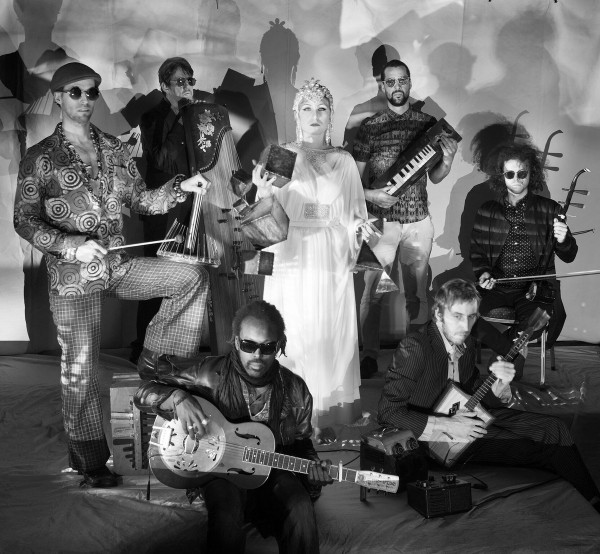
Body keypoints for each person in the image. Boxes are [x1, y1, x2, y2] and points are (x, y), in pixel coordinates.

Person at [13, 62, 211, 488]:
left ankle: (156, 367)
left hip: (118, 266)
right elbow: (24, 221)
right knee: (81, 369)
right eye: (76, 92)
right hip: (73, 276)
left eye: (92, 92)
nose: (86, 100)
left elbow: (142, 200)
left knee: (190, 278)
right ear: (59, 97)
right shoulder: (40, 157)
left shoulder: (114, 149)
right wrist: (72, 245)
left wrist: (180, 188)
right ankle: (89, 462)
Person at [378, 278, 600, 512]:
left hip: (468, 416)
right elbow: (388, 412)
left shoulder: (465, 341)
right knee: (536, 447)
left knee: (555, 428)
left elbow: (473, 390)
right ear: (438, 314)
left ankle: (593, 498)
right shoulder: (415, 347)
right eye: (457, 316)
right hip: (437, 442)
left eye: (471, 317)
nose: (465, 326)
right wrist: (448, 425)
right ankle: (588, 503)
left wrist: (499, 386)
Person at [135, 300, 333, 554]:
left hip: (271, 466)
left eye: (267, 347)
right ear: (237, 342)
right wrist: (178, 398)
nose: (257, 355)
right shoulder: (207, 374)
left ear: (280, 345)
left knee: (300, 506)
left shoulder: (296, 389)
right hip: (220, 470)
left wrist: (314, 471)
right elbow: (143, 392)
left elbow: (302, 445)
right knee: (226, 512)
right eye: (249, 345)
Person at [252, 78, 371, 442]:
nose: (314, 115)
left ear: (331, 116)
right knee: (294, 329)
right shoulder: (281, 154)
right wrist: (262, 191)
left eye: (322, 109)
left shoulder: (343, 160)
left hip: (331, 255)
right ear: (296, 115)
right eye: (307, 108)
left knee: (328, 331)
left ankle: (324, 413)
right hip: (291, 253)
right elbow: (264, 212)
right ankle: (291, 411)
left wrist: (358, 233)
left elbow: (355, 212)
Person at [353, 59, 458, 378]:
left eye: (402, 81)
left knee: (417, 293)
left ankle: (417, 355)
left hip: (418, 221)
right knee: (374, 293)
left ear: (410, 83)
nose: (397, 87)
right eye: (390, 82)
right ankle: (369, 355)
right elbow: (352, 182)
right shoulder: (369, 126)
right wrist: (373, 196)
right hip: (381, 223)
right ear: (382, 85)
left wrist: (448, 161)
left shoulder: (428, 125)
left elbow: (436, 177)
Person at [131, 56, 212, 363]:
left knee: (188, 275)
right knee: (156, 277)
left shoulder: (199, 116)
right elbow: (161, 160)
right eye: (180, 82)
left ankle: (177, 349)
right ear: (164, 86)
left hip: (193, 205)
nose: (187, 86)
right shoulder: (152, 117)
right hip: (161, 208)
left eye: (190, 81)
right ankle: (143, 348)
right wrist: (182, 118)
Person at [470, 142, 575, 351]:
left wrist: (564, 240)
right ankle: (508, 356)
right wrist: (484, 273)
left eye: (522, 173)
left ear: (531, 173)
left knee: (532, 325)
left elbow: (569, 255)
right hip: (497, 287)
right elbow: (477, 251)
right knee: (461, 313)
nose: (516, 179)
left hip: (535, 291)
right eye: (510, 174)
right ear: (501, 176)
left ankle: (502, 359)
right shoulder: (487, 210)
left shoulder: (550, 209)